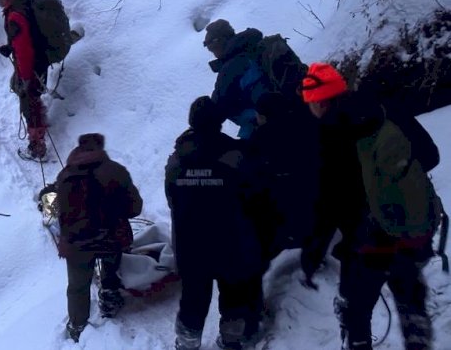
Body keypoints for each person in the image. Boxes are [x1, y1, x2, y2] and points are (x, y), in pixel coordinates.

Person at [300, 63, 438, 350]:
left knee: (356, 309)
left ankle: (359, 343)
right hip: (408, 230)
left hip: (365, 241)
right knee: (410, 297)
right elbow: (430, 155)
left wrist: (312, 255)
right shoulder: (385, 110)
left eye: (311, 103)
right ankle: (418, 337)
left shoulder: (326, 135)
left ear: (321, 101)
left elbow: (326, 204)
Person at [166, 96, 264, 350]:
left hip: (190, 243)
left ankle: (188, 343)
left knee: (193, 297)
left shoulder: (177, 159)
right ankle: (232, 340)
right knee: (233, 294)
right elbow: (254, 195)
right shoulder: (238, 154)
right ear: (219, 121)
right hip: (230, 241)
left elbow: (171, 198)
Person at [55, 133, 143, 342]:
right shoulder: (116, 171)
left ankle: (77, 325)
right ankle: (110, 295)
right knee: (111, 262)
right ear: (101, 148)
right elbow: (135, 208)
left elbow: (62, 213)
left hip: (77, 244)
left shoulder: (65, 175)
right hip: (110, 238)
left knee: (77, 286)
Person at [246, 91, 320, 262]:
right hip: (308, 212)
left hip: (273, 218)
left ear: (263, 116)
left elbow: (249, 182)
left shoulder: (259, 140)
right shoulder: (306, 131)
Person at [0, 0, 49, 160]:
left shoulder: (14, 15)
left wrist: (25, 78)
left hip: (32, 67)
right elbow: (26, 37)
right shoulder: (22, 3)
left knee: (28, 102)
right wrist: (10, 46)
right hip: (40, 61)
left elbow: (25, 51)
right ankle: (39, 123)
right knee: (33, 98)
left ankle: (37, 147)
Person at [204, 19, 271, 139]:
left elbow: (216, 109)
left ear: (221, 42)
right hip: (287, 108)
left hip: (264, 126)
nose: (213, 53)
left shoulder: (231, 68)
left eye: (212, 48)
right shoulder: (254, 48)